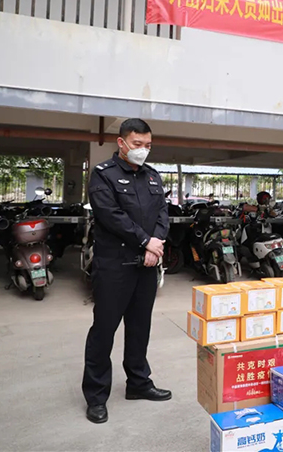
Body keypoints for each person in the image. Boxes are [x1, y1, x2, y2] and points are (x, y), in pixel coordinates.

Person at [82, 118, 171, 424]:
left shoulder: (152, 176)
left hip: (146, 265)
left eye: (148, 145)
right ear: (121, 143)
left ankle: (138, 383)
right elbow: (111, 216)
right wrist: (146, 242)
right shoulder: (103, 174)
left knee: (139, 327)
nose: (143, 150)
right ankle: (96, 397)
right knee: (104, 330)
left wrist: (154, 245)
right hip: (114, 266)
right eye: (137, 144)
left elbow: (162, 213)